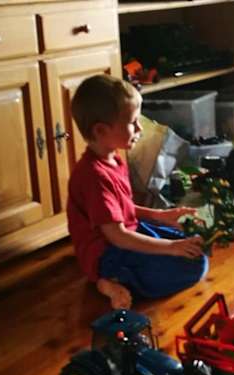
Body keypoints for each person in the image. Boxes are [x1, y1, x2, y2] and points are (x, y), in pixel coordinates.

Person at [67, 74, 207, 309]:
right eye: (133, 122)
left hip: (126, 234)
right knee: (193, 265)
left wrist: (160, 216)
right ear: (100, 131)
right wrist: (171, 248)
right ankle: (108, 280)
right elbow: (117, 236)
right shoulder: (94, 176)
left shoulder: (113, 159)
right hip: (107, 252)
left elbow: (121, 210)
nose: (140, 128)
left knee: (194, 245)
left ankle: (121, 275)